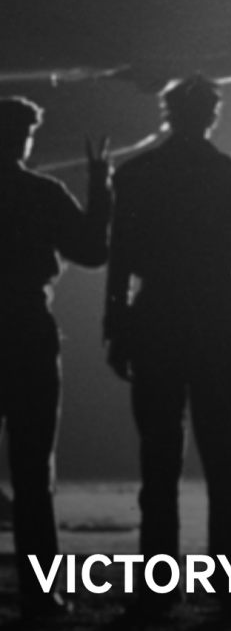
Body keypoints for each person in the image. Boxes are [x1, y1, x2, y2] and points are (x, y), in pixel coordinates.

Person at [105, 73, 231, 623]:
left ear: (167, 112)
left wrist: (116, 322)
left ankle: (158, 588)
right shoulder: (228, 173)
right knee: (224, 465)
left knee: (158, 463)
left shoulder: (137, 174)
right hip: (216, 314)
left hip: (156, 313)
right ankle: (230, 588)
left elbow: (120, 255)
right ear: (211, 115)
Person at [0, 96, 110, 621]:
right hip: (27, 329)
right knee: (33, 470)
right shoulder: (44, 193)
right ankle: (40, 594)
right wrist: (101, 193)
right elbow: (91, 252)